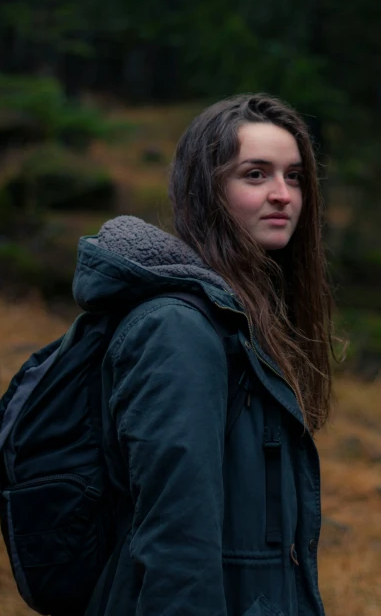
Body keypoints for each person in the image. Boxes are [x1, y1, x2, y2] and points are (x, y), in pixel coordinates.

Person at [73, 93, 334, 616]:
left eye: (295, 176)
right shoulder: (178, 331)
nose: (283, 194)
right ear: (206, 190)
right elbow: (176, 538)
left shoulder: (240, 320)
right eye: (255, 175)